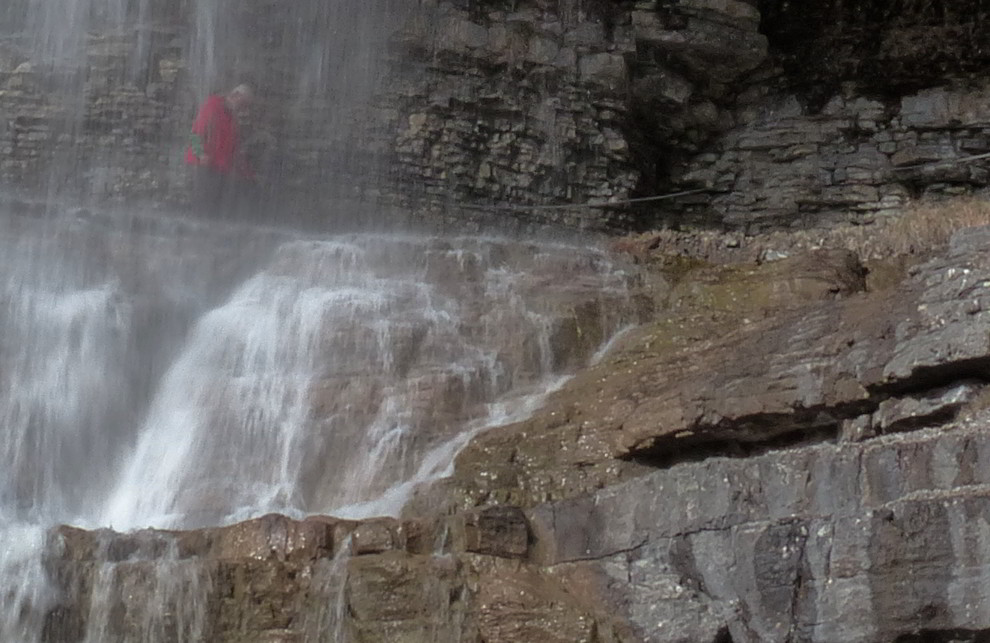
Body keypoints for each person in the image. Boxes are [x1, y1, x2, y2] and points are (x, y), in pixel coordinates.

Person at [185, 83, 255, 214]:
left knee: (216, 204)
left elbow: (234, 148)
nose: (243, 110)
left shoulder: (232, 117)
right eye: (243, 104)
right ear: (236, 96)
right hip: (204, 164)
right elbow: (195, 134)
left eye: (246, 106)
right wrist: (200, 154)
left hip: (221, 167)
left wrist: (247, 173)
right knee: (203, 202)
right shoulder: (211, 106)